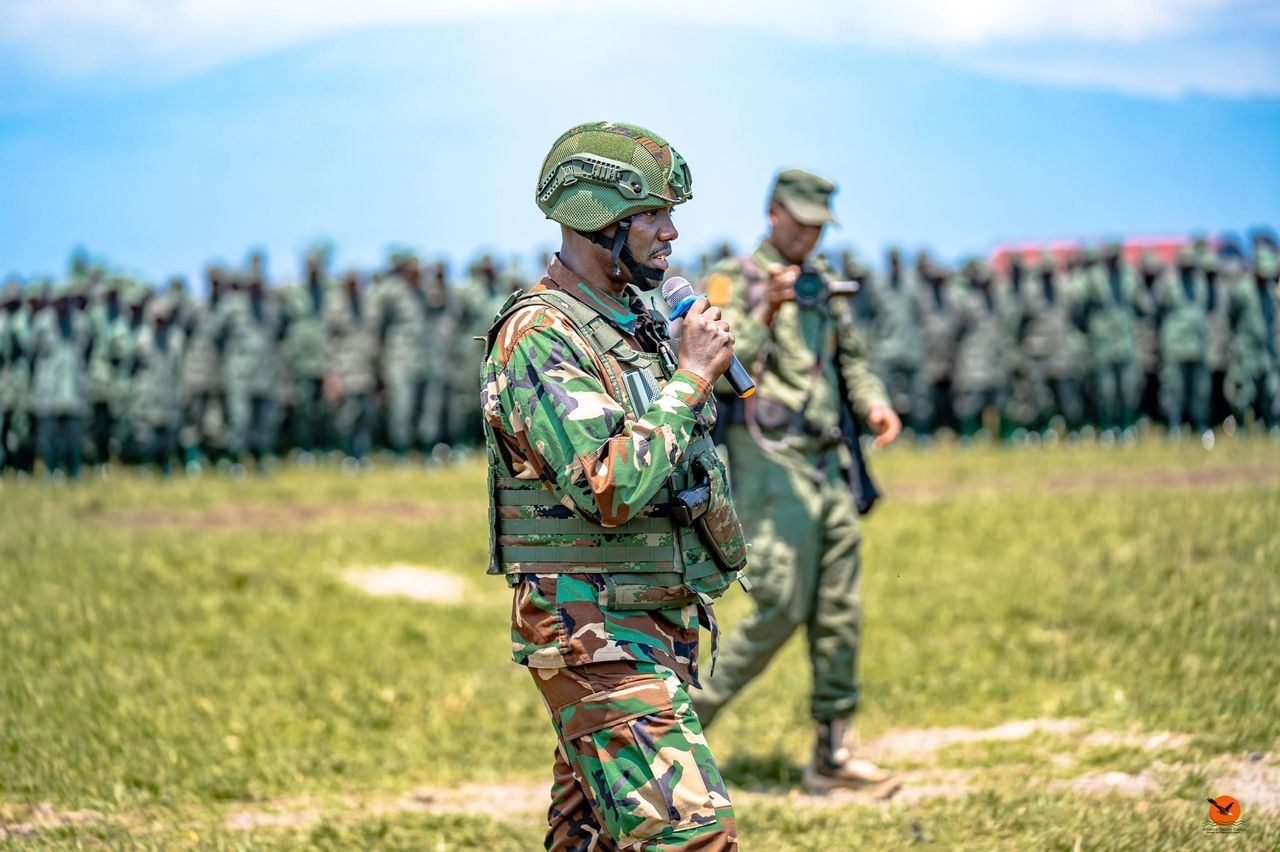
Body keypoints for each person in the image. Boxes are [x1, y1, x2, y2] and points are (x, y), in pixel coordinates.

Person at [481, 121, 745, 850]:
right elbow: (608, 486)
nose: (670, 233)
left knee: (589, 841)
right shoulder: (540, 334)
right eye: (654, 215)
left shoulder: (632, 323)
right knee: (693, 837)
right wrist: (689, 379)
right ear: (602, 220)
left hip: (644, 622)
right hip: (594, 632)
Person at [693, 168, 902, 795]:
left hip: (825, 460)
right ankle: (670, 734)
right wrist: (767, 306)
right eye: (803, 221)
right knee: (780, 601)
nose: (811, 235)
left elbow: (851, 359)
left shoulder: (823, 284)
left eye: (819, 226)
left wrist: (873, 404)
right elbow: (718, 362)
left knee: (839, 606)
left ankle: (833, 753)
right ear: (774, 213)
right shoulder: (732, 279)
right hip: (765, 457)